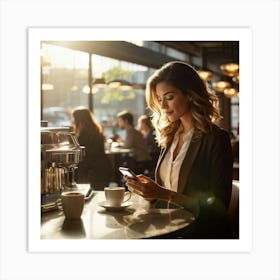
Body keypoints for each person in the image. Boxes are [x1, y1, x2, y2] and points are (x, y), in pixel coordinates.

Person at [125, 61, 233, 239]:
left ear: (190, 95)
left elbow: (219, 207)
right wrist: (148, 191)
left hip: (199, 234)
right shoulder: (170, 136)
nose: (164, 106)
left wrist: (163, 194)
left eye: (169, 97)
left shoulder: (216, 139)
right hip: (167, 227)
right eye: (160, 100)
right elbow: (168, 187)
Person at [72, 107, 113, 190]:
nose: (73, 121)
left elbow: (83, 153)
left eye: (74, 119)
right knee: (99, 194)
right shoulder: (97, 130)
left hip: (91, 170)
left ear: (79, 119)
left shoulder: (84, 134)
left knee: (88, 194)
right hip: (103, 166)